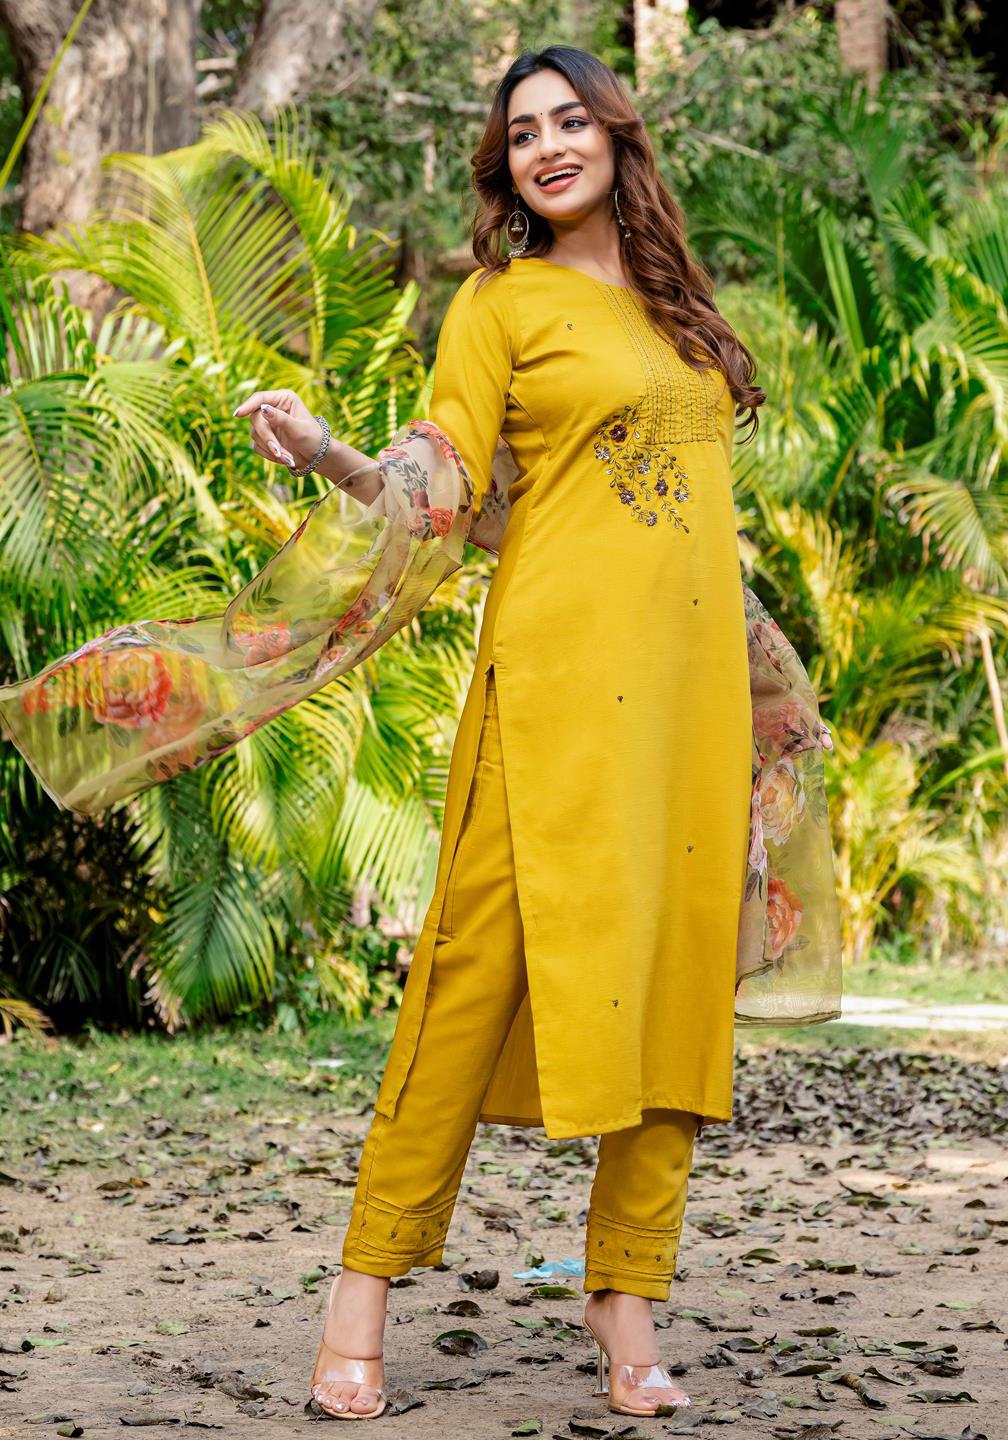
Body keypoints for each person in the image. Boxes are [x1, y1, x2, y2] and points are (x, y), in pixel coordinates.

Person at [0, 43, 841, 1424]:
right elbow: (449, 486)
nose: (549, 145)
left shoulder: (682, 315)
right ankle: (363, 1289)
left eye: (571, 120)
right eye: (525, 132)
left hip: (688, 706)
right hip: (554, 691)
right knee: (464, 984)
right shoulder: (500, 306)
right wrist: (334, 455)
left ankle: (627, 1301)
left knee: (675, 999)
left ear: (618, 136)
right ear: (506, 166)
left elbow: (565, 507)